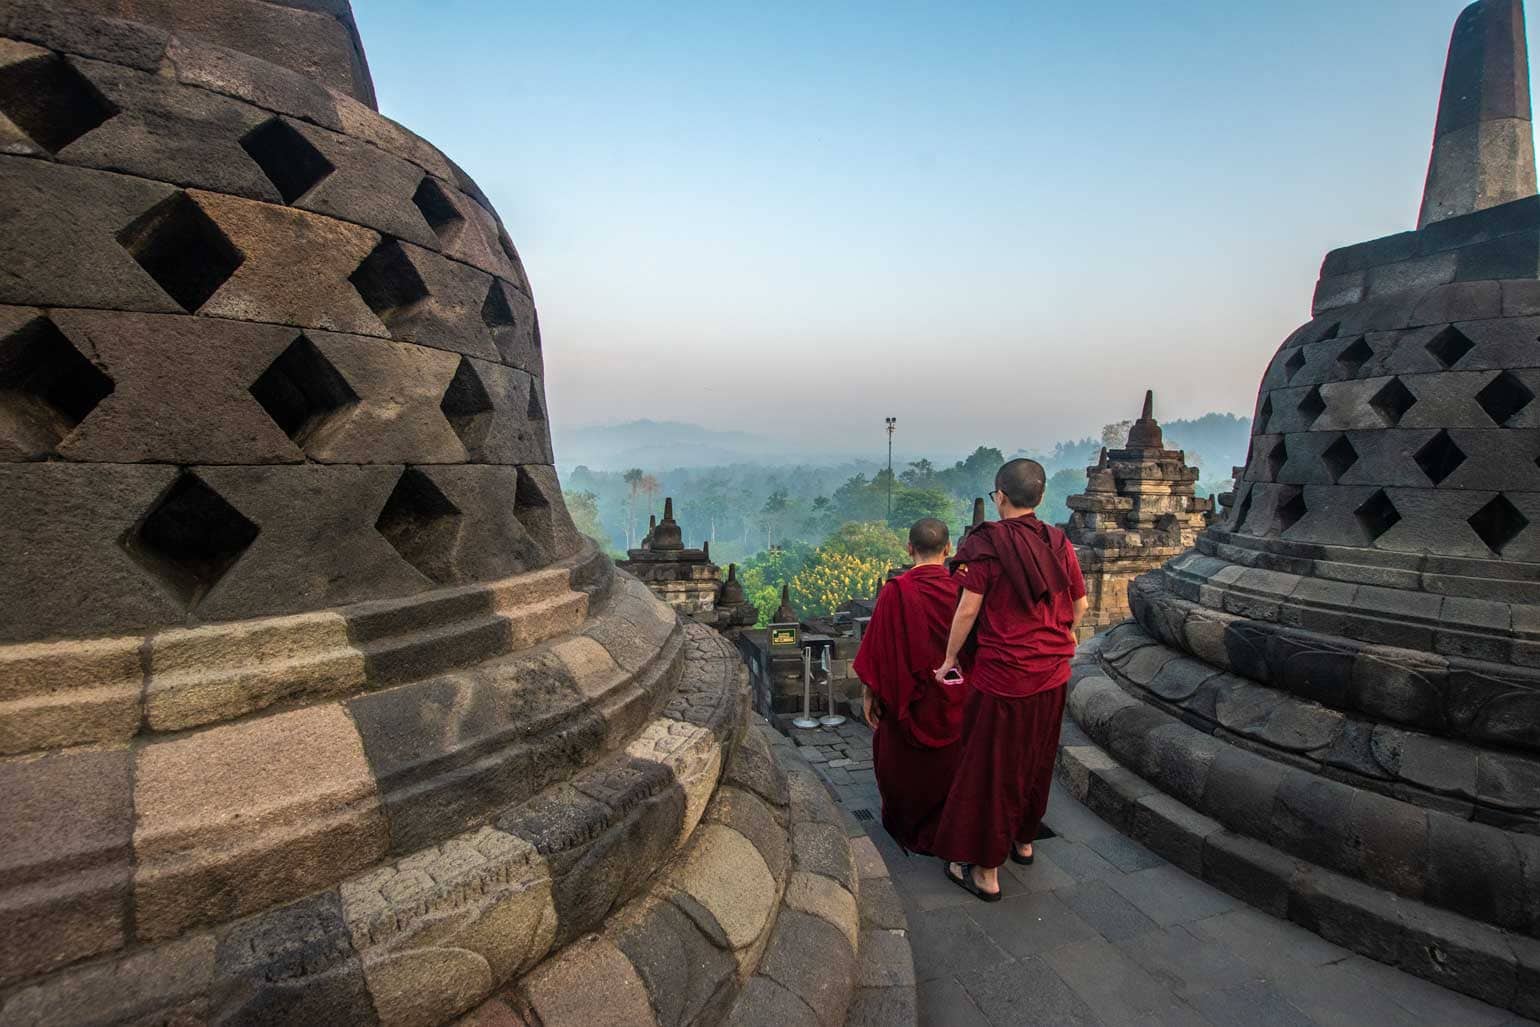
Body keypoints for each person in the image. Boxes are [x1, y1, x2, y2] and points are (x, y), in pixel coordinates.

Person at [930, 459, 1087, 901]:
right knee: (1036, 759)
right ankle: (1023, 840)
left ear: (1000, 495)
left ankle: (986, 870)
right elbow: (1079, 605)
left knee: (992, 770)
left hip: (1004, 678)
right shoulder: (1058, 541)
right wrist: (1062, 638)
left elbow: (967, 609)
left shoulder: (988, 544)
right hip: (1053, 674)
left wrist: (948, 658)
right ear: (1038, 498)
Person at [852, 517, 966, 854]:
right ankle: (949, 826)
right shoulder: (964, 592)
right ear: (948, 549)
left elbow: (877, 651)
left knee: (902, 761)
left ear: (909, 548)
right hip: (958, 695)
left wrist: (869, 691)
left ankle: (908, 826)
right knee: (953, 763)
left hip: (911, 699)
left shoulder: (897, 591)